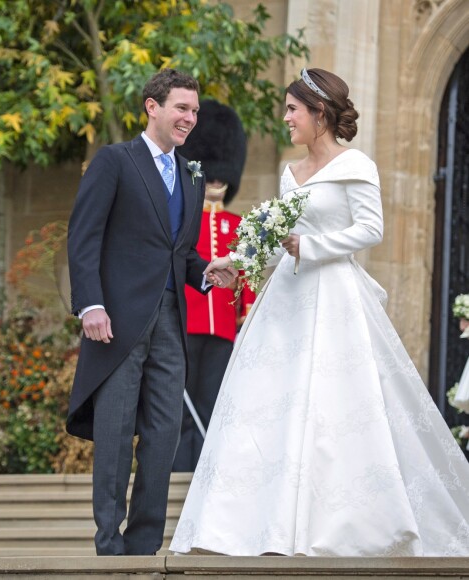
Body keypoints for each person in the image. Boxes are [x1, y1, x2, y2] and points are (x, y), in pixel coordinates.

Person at [170, 68, 469, 557]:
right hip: (285, 299)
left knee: (335, 408)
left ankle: (334, 525)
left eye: (292, 109)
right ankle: (256, 528)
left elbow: (371, 229)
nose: (285, 118)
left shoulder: (358, 166)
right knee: (270, 405)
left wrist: (314, 246)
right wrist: (236, 263)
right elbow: (278, 244)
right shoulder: (289, 174)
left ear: (319, 113)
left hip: (335, 298)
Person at [66, 68, 237, 556]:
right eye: (182, 108)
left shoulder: (192, 174)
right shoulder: (115, 161)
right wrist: (91, 304)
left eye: (195, 111)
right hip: (116, 323)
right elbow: (84, 238)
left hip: (171, 320)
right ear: (153, 106)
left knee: (164, 435)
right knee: (116, 432)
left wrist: (209, 272)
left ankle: (143, 547)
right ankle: (108, 545)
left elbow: (178, 253)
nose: (190, 118)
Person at [172, 100, 256, 472]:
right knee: (181, 401)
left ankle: (204, 470)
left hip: (223, 327)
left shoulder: (239, 224)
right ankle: (177, 466)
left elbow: (248, 276)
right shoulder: (183, 216)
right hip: (187, 321)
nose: (218, 180)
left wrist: (246, 317)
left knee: (211, 400)